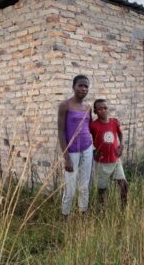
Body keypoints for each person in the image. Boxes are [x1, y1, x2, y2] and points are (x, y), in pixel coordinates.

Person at [57, 75, 93, 216]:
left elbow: (89, 127)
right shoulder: (65, 105)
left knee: (84, 185)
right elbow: (61, 132)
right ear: (73, 87)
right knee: (70, 188)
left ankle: (82, 212)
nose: (83, 89)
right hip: (71, 152)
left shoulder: (88, 107)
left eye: (86, 86)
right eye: (81, 85)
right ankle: (65, 215)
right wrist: (66, 157)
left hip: (87, 148)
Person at [89, 99, 129, 207]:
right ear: (95, 111)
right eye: (100, 109)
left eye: (105, 108)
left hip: (115, 160)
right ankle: (102, 211)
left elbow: (120, 134)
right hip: (101, 162)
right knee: (102, 190)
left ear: (108, 109)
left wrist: (122, 145)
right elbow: (86, 139)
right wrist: (93, 151)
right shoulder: (93, 125)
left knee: (124, 185)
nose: (103, 110)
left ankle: (124, 210)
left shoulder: (114, 122)